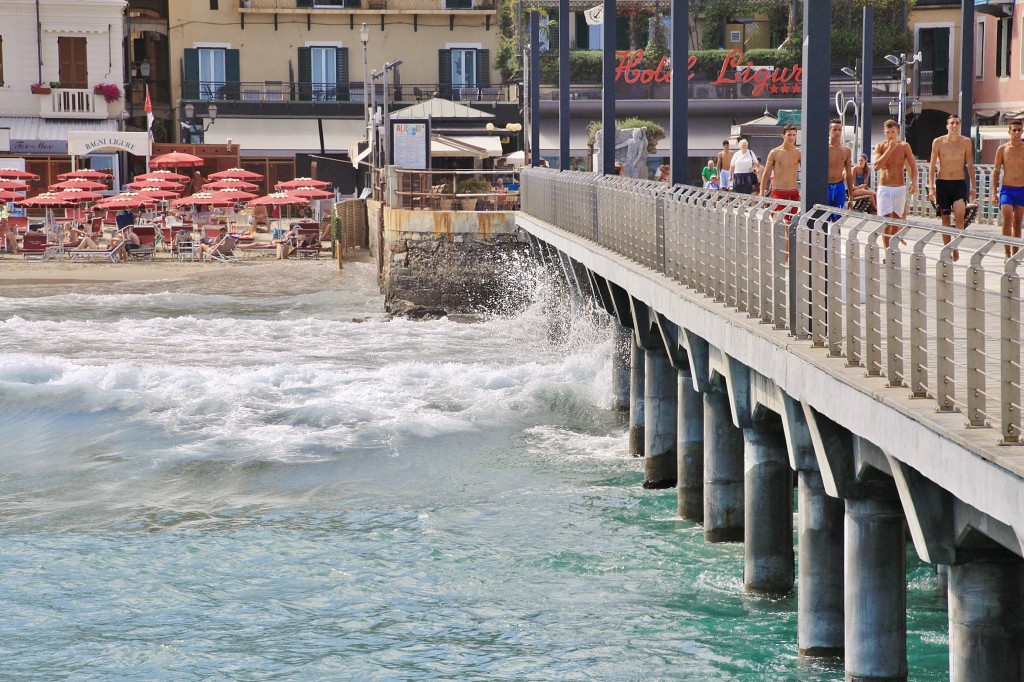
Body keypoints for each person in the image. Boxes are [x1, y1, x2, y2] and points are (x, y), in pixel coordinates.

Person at [928, 114, 975, 261]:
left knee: (960, 218)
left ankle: (955, 246)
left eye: (957, 123)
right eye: (952, 123)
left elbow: (970, 164)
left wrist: (973, 186)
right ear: (947, 126)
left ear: (960, 125)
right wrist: (931, 187)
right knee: (946, 219)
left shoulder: (966, 142)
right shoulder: (938, 142)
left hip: (959, 183)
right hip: (943, 183)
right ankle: (948, 249)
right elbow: (931, 166)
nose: (954, 126)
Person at [874, 119, 918, 248]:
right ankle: (887, 250)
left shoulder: (904, 146)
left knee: (897, 219)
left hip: (899, 187)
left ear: (897, 131)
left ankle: (893, 247)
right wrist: (889, 149)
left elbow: (913, 166)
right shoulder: (880, 146)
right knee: (886, 220)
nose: (891, 134)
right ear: (884, 133)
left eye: (893, 131)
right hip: (884, 187)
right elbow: (877, 166)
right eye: (888, 132)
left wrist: (913, 183)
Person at [992, 119, 1024, 258]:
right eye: (1014, 130)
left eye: (1019, 130)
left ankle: (1014, 254)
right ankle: (1006, 252)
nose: (1017, 132)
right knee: (1007, 218)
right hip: (1007, 189)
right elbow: (996, 171)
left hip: (1021, 189)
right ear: (1009, 132)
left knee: (1017, 222)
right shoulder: (1002, 149)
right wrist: (994, 193)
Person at [759, 124, 801, 204]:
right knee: (777, 215)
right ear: (783, 135)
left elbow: (807, 173)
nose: (792, 138)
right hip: (778, 192)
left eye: (794, 135)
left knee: (792, 217)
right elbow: (766, 174)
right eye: (789, 135)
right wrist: (761, 193)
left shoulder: (799, 153)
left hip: (793, 192)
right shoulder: (774, 152)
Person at [826, 118, 854, 212]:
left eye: (839, 130)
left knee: (838, 221)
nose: (837, 132)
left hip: (839, 186)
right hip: (825, 186)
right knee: (822, 219)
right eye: (834, 129)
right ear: (829, 131)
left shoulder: (846, 150)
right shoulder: (824, 148)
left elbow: (849, 174)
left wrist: (851, 197)